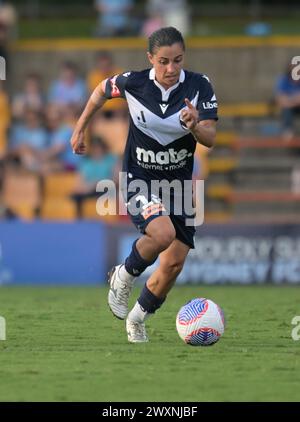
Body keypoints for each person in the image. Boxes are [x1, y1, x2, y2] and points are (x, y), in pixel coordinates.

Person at [70, 27, 218, 343]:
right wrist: (80, 129)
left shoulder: (199, 86)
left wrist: (194, 128)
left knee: (174, 264)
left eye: (177, 60)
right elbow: (99, 91)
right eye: (163, 61)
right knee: (162, 233)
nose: (170, 68)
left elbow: (211, 138)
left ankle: (137, 320)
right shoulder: (133, 83)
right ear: (150, 58)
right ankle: (123, 274)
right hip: (140, 178)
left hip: (178, 186)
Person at [275, 61, 300, 141]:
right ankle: (288, 132)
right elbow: (281, 100)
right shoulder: (283, 79)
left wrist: (289, 99)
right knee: (286, 109)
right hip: (289, 107)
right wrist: (295, 100)